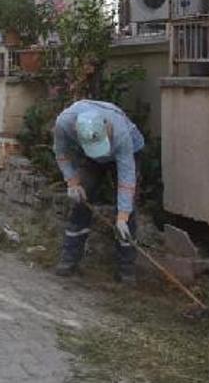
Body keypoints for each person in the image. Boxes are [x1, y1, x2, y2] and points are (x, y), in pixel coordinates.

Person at [52, 99, 145, 283]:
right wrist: (72, 182)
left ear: (107, 130)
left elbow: (126, 180)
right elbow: (61, 152)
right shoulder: (64, 123)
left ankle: (126, 270)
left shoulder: (121, 134)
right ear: (77, 133)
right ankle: (69, 259)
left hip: (130, 151)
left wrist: (122, 217)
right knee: (82, 200)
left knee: (127, 211)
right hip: (89, 157)